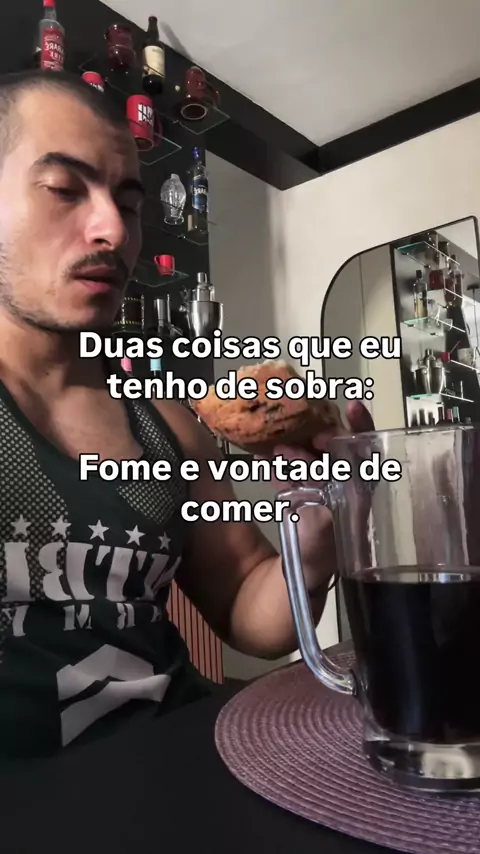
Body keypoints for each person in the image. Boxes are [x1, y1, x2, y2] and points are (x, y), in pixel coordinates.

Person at [0, 69, 372, 758]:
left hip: (181, 760)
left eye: (129, 203)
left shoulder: (167, 425)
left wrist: (318, 536)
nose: (113, 228)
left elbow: (249, 611)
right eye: (64, 189)